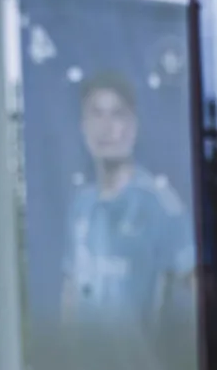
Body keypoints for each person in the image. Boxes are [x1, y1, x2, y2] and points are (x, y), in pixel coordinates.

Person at [61, 71, 195, 334]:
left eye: (117, 114)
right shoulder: (81, 205)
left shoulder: (159, 204)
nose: (106, 127)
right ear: (83, 126)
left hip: (139, 358)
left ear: (133, 127)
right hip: (86, 357)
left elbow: (196, 284)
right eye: (96, 114)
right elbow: (71, 291)